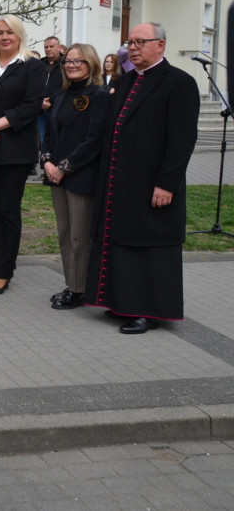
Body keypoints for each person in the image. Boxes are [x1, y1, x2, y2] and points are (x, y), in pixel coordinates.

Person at [85, 23, 199, 333]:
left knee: (151, 247)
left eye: (140, 42)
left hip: (153, 182)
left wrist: (167, 183)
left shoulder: (179, 83)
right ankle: (124, 303)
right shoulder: (125, 83)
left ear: (160, 45)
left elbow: (182, 140)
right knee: (122, 242)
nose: (132, 47)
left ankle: (150, 311)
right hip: (121, 182)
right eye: (129, 42)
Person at [0, 15, 44, 295]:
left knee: (8, 211)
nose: (4, 37)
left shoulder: (32, 67)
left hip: (14, 151)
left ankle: (4, 271)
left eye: (10, 33)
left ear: (19, 36)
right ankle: (0, 266)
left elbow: (30, 106)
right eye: (0, 33)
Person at [42, 44, 110, 310]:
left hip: (81, 176)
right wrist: (47, 161)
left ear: (90, 63)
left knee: (79, 237)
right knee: (64, 233)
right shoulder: (61, 95)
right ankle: (72, 284)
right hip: (56, 175)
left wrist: (64, 167)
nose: (71, 65)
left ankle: (80, 290)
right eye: (67, 62)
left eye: (77, 61)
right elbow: (49, 132)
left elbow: (94, 140)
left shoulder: (100, 96)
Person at [37, 36, 65, 167]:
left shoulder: (65, 64)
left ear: (59, 47)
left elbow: (65, 86)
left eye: (51, 46)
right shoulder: (39, 65)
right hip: (39, 108)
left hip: (58, 107)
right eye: (46, 47)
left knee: (56, 136)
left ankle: (57, 162)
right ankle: (45, 165)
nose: (48, 50)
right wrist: (39, 101)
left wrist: (51, 100)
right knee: (42, 136)